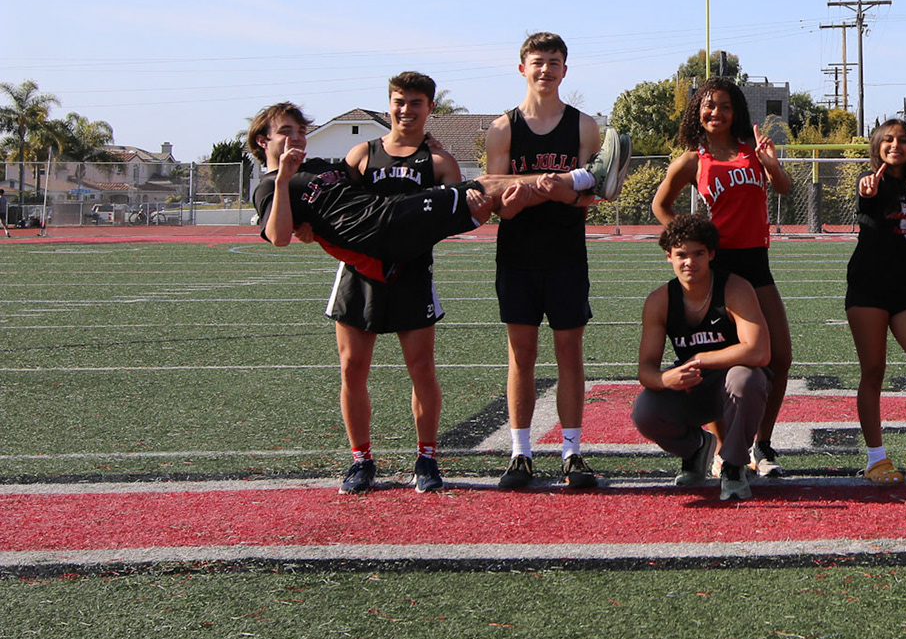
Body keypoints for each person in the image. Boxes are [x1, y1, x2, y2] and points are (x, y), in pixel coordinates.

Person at [485, 32, 631, 492]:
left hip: (566, 255)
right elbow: (496, 199)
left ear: (565, 70)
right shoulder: (503, 128)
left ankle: (571, 452)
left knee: (570, 354)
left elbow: (591, 196)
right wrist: (532, 192)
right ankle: (520, 453)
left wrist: (562, 191)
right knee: (521, 355)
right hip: (517, 256)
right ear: (522, 68)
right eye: (537, 61)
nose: (545, 69)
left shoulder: (584, 126)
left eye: (553, 62)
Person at [249, 103, 608, 275]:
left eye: (301, 131)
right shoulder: (268, 186)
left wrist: (425, 148)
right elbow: (278, 237)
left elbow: (371, 173)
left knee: (485, 196)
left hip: (390, 221)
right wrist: (282, 181)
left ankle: (585, 181)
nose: (297, 137)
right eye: (286, 132)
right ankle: (587, 178)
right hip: (376, 231)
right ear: (263, 141)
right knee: (485, 186)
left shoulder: (318, 165)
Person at [326, 73, 462, 495]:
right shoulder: (361, 154)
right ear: (389, 105)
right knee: (352, 368)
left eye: (416, 102)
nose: (406, 110)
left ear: (430, 108)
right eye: (399, 101)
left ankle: (426, 458)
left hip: (412, 274)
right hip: (358, 274)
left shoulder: (439, 162)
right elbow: (331, 207)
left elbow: (460, 211)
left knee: (421, 368)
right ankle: (361, 461)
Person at [653, 76, 794, 478]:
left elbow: (783, 188)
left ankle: (761, 444)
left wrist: (771, 163)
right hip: (719, 267)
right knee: (721, 364)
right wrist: (688, 241)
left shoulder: (752, 149)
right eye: (709, 105)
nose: (716, 112)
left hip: (757, 263)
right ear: (697, 111)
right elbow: (660, 205)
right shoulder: (691, 159)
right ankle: (722, 447)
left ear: (737, 112)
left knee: (779, 356)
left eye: (725, 106)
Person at [631, 215, 771, 502]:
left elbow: (758, 351)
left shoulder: (734, 289)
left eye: (698, 254)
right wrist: (665, 379)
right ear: (668, 256)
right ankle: (696, 447)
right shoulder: (660, 300)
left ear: (711, 255)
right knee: (645, 412)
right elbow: (645, 369)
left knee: (745, 379)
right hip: (693, 387)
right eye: (681, 255)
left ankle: (733, 465)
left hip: (733, 384)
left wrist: (700, 358)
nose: (690, 262)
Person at [846, 118, 906, 484]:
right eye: (887, 139)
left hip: (905, 292)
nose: (895, 145)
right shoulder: (872, 182)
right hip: (868, 289)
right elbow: (866, 195)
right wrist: (867, 190)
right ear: (877, 147)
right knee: (873, 371)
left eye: (902, 140)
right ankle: (876, 459)